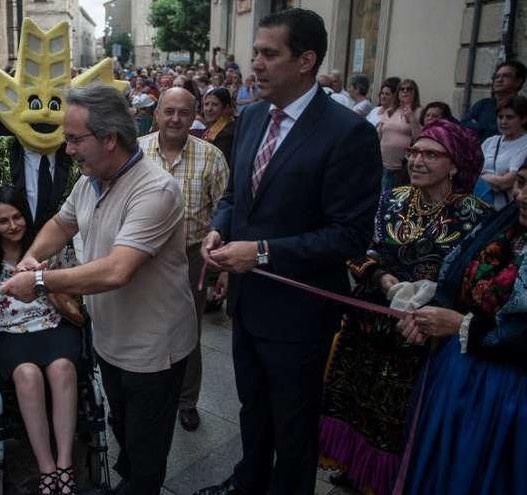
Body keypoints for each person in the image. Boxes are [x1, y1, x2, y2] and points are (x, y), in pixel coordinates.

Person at [195, 9, 383, 495]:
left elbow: (348, 236)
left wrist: (259, 252)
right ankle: (248, 482)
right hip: (248, 301)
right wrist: (219, 230)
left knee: (294, 426)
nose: (254, 63)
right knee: (253, 407)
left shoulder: (349, 133)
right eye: (255, 52)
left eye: (268, 54)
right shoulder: (253, 116)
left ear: (306, 60)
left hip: (301, 311)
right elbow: (238, 197)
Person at [0, 84, 197, 495]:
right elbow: (61, 224)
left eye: (74, 139)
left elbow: (116, 271)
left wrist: (38, 281)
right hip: (111, 342)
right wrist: (31, 257)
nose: (67, 149)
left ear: (109, 139)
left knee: (146, 454)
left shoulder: (156, 190)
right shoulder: (90, 180)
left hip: (152, 351)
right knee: (124, 432)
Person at [318, 119, 491, 495]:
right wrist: (383, 279)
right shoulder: (391, 199)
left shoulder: (476, 215)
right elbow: (359, 249)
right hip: (369, 322)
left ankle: (392, 480)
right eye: (414, 152)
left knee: (399, 417)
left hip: (421, 336)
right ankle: (355, 469)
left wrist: (434, 298)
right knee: (359, 400)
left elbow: (477, 281)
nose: (417, 161)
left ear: (456, 164)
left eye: (431, 154)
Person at [395, 159, 527, 495]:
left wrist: (462, 325)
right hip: (459, 373)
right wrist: (432, 313)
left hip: (509, 393)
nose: (522, 196)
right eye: (522, 183)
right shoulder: (508, 222)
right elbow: (459, 277)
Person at [0, 187, 81, 494]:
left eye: (18, 216)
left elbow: (77, 282)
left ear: (27, 216)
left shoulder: (49, 247)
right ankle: (46, 466)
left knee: (63, 368)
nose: (13, 226)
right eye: (3, 221)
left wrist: (53, 287)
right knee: (27, 375)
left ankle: (64, 464)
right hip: (6, 330)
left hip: (51, 322)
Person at [139, 87, 229, 432]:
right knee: (144, 326)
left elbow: (224, 211)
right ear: (157, 113)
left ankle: (187, 400)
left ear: (195, 117)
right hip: (143, 255)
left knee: (188, 330)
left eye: (184, 112)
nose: (176, 119)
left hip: (191, 255)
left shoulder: (211, 157)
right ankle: (149, 394)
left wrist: (221, 267)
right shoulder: (137, 151)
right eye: (169, 111)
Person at [479, 95, 527, 211]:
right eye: (500, 117)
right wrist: (496, 178)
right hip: (480, 206)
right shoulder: (490, 142)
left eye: (509, 117)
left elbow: (505, 182)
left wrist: (482, 175)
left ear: (524, 119)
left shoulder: (525, 144)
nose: (503, 122)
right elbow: (470, 171)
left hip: (506, 211)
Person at [462, 60, 527, 142]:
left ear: (518, 81)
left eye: (506, 76)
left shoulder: (523, 107)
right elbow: (463, 125)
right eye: (497, 76)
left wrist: (478, 128)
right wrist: (489, 129)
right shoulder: (483, 104)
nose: (499, 80)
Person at [378, 78, 422, 191]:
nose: (405, 91)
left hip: (401, 167)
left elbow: (419, 138)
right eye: (402, 89)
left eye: (409, 89)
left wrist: (411, 118)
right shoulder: (390, 111)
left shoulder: (418, 111)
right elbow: (380, 134)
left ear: (414, 93)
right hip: (383, 164)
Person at [200, 87, 238, 164]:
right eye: (206, 104)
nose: (209, 109)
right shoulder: (211, 129)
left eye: (215, 105)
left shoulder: (227, 134)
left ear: (226, 108)